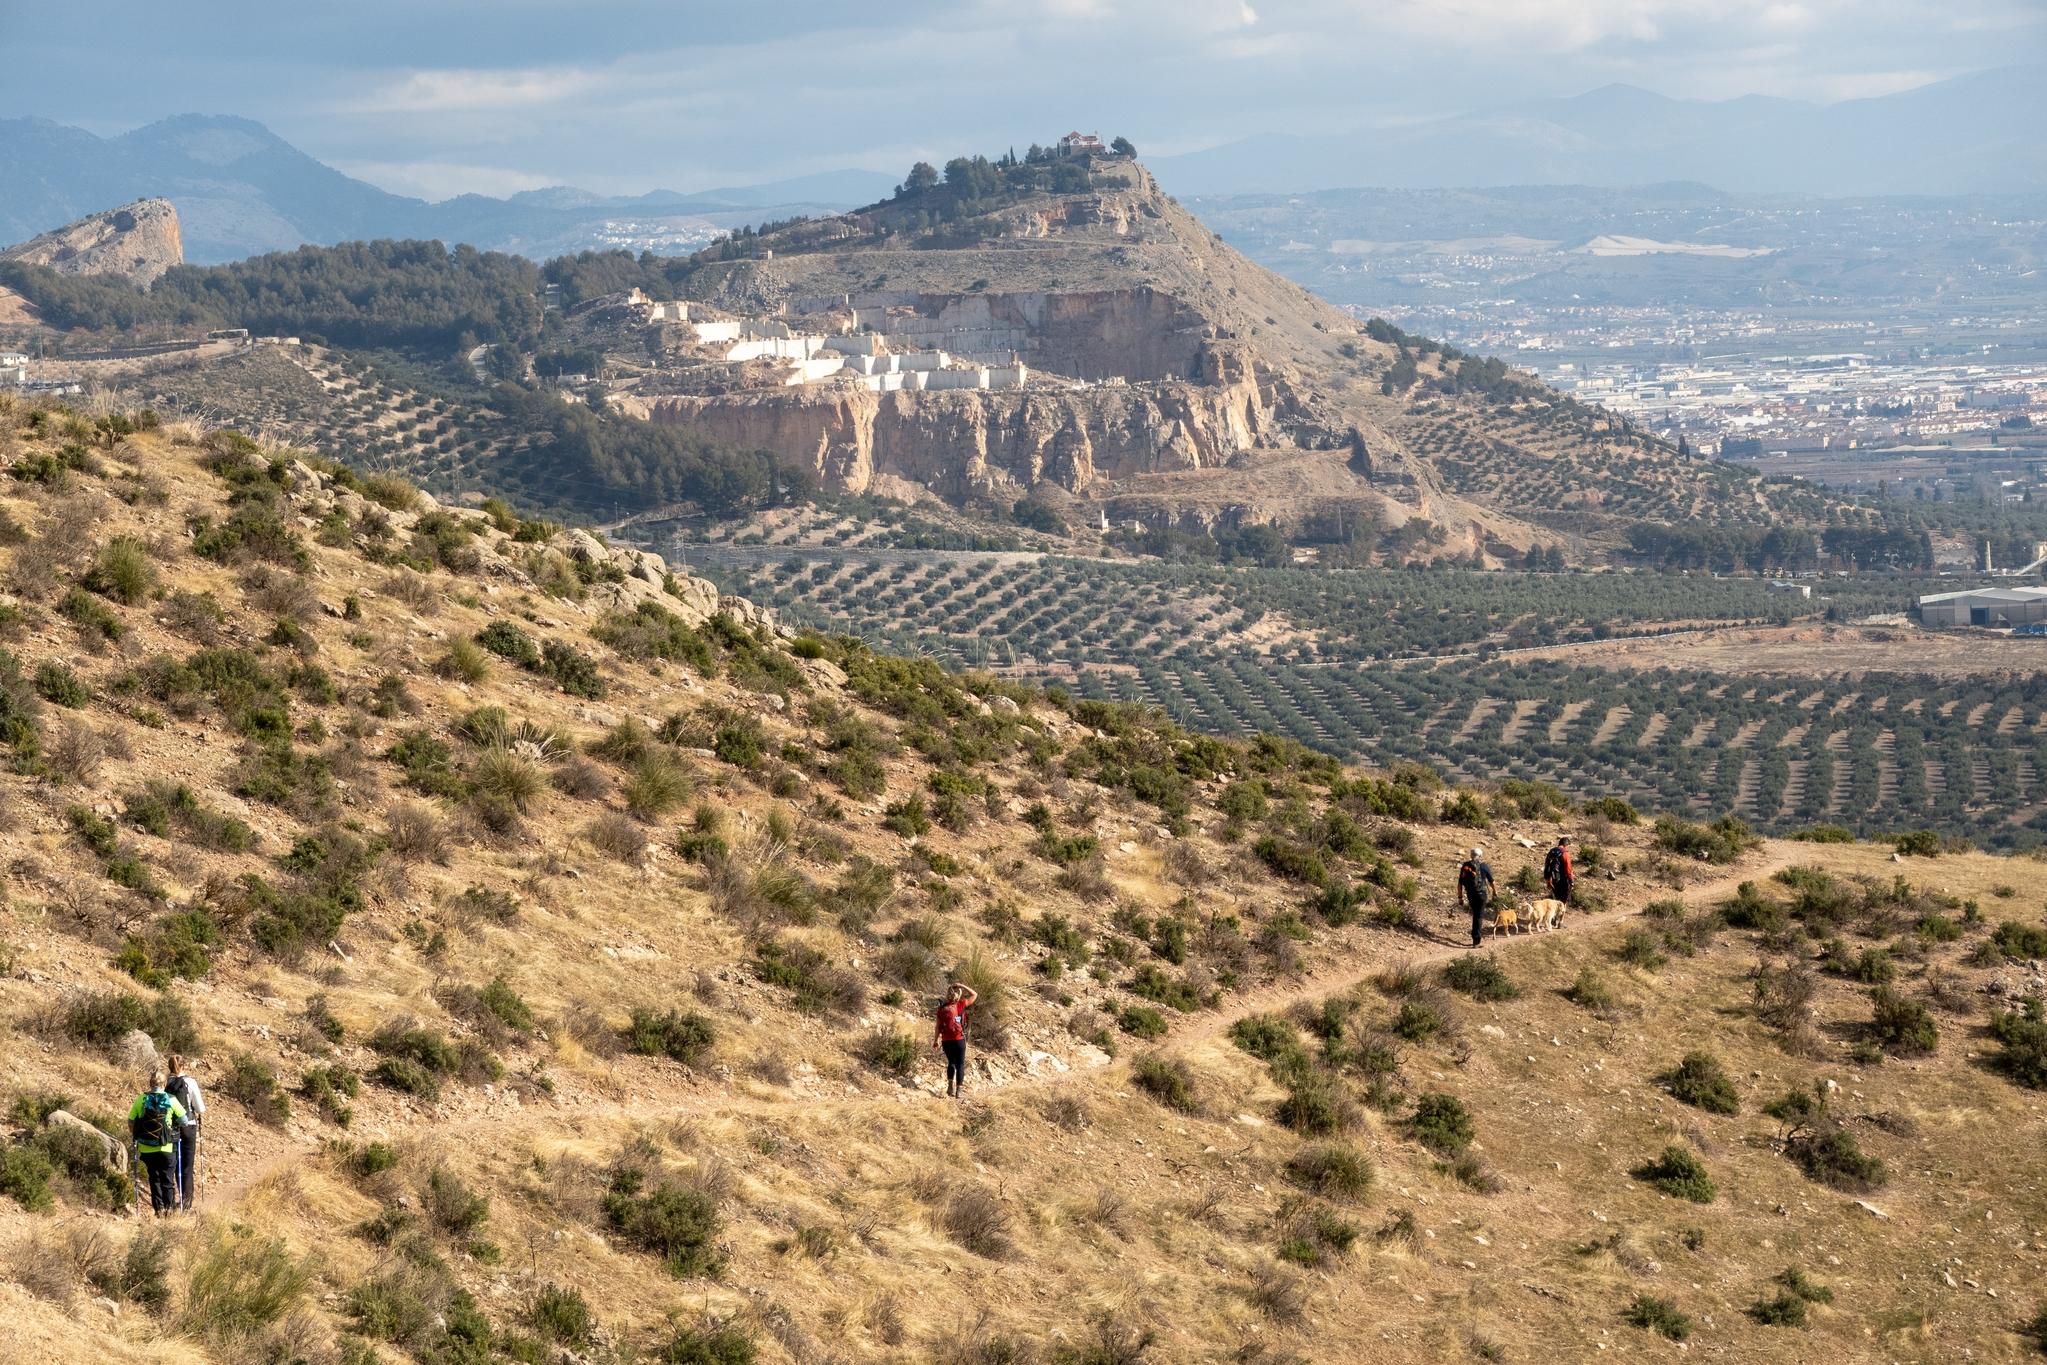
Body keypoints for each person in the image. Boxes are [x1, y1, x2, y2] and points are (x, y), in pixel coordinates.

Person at [128, 1072, 188, 1217]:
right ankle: (170, 1210)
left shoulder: (141, 1099)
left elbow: (131, 1121)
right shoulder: (170, 1099)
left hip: (146, 1147)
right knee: (167, 1179)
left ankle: (158, 1210)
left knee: (153, 1179)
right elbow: (184, 1120)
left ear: (150, 1083)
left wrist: (137, 1136)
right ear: (164, 1084)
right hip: (166, 1146)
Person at [165, 1055, 205, 1211]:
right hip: (188, 1126)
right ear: (184, 1066)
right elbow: (200, 1108)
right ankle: (186, 1203)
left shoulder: (164, 1082)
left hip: (170, 1127)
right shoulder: (190, 1082)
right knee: (187, 1166)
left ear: (169, 1067)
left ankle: (171, 1201)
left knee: (174, 1163)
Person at [931, 981, 979, 1099]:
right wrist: (962, 985)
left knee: (951, 1063)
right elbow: (974, 994)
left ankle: (950, 1087)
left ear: (947, 995)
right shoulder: (960, 1004)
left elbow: (937, 1026)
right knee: (960, 1064)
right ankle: (959, 1091)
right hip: (959, 1039)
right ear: (958, 995)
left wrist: (936, 1040)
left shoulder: (941, 1008)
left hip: (946, 1040)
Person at [1457, 846, 1495, 948]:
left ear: (1471, 855)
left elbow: (1460, 884)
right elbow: (1491, 881)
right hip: (1481, 894)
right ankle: (1476, 941)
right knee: (1478, 917)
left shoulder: (1465, 866)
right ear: (1480, 856)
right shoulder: (1483, 866)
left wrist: (1460, 898)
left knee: (1475, 915)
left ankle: (1475, 938)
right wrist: (1495, 892)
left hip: (1470, 894)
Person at [1544, 835, 1575, 908]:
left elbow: (1546, 865)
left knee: (1556, 900)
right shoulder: (1564, 853)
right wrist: (1571, 881)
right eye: (1568, 846)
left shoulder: (1551, 851)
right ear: (1566, 845)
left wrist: (1548, 879)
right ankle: (1560, 918)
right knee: (1563, 901)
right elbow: (1568, 868)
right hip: (1562, 880)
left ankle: (1553, 917)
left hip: (1552, 879)